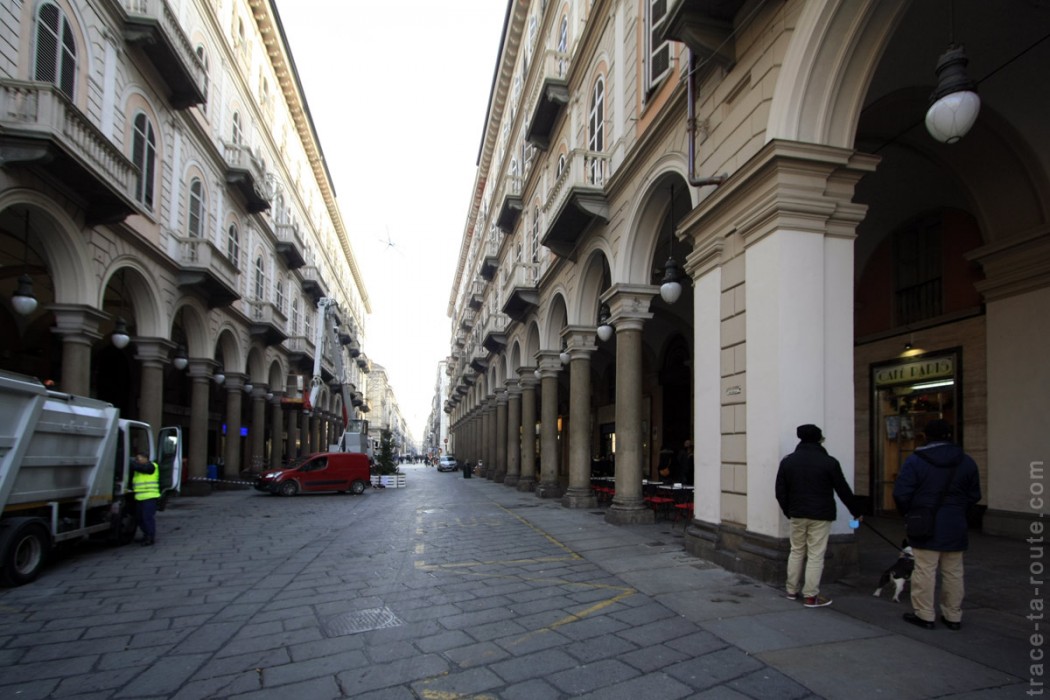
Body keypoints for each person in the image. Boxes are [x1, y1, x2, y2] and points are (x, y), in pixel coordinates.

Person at [893, 419, 981, 631]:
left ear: (926, 436)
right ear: (950, 436)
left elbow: (901, 493)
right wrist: (958, 510)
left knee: (924, 570)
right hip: (955, 522)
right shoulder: (967, 461)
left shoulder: (916, 460)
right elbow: (974, 495)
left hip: (925, 522)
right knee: (954, 572)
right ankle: (953, 615)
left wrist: (910, 514)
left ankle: (924, 614)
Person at [775, 424, 862, 608]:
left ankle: (791, 590)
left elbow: (780, 491)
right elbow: (843, 489)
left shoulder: (788, 461)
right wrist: (856, 511)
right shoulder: (829, 462)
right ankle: (810, 595)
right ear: (819, 439)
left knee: (796, 550)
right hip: (821, 514)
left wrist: (788, 510)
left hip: (797, 513)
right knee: (815, 554)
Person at [130, 453, 160, 547]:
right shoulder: (138, 468)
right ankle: (146, 534)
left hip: (150, 496)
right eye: (136, 459)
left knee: (147, 518)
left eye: (139, 458)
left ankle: (150, 537)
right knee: (139, 518)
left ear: (146, 458)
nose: (137, 460)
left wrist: (131, 463)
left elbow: (146, 469)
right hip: (139, 497)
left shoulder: (151, 466)